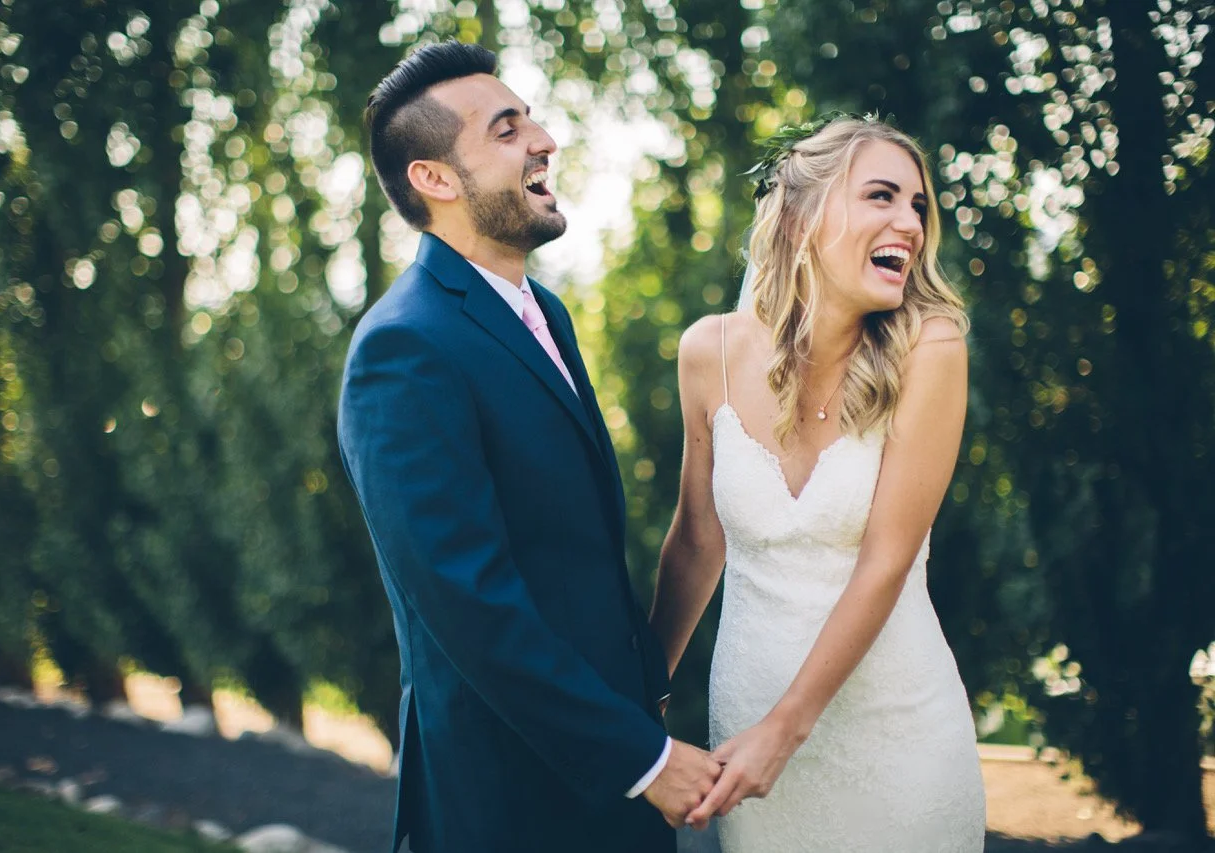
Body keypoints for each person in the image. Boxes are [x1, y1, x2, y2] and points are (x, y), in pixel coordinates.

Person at [336, 41, 721, 853]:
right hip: (509, 804)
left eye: (532, 118)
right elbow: (467, 601)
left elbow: (576, 560)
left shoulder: (543, 311)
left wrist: (643, 694)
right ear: (435, 179)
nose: (545, 138)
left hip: (607, 780)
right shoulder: (403, 349)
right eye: (507, 130)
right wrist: (642, 759)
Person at [649, 114, 987, 850]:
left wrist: (785, 728)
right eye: (882, 196)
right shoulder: (709, 351)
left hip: (897, 743)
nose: (910, 222)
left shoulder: (931, 347)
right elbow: (697, 540)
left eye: (919, 206)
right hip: (750, 739)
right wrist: (641, 695)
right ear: (803, 214)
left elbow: (886, 560)